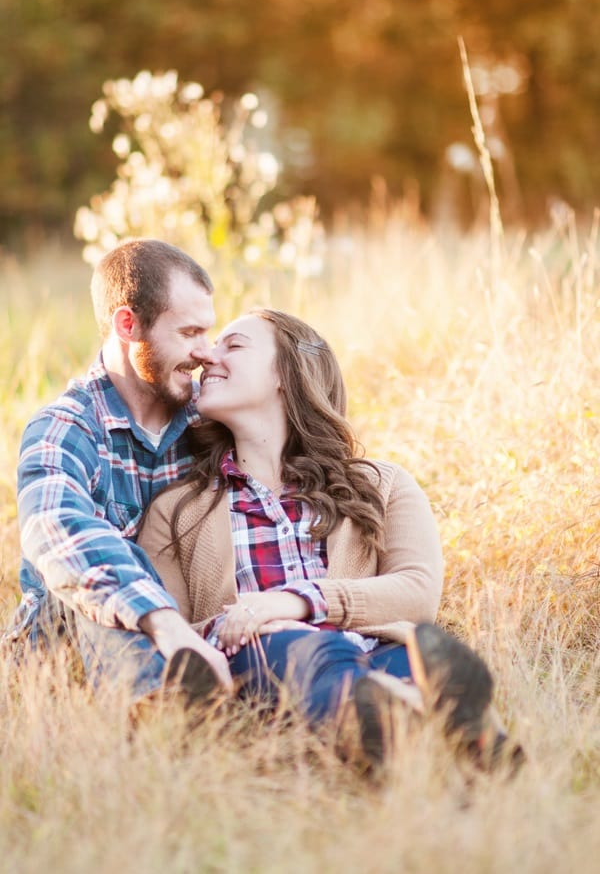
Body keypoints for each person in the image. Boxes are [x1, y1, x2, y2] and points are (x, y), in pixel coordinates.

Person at [137, 308, 510, 769]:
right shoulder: (175, 511)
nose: (208, 357)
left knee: (415, 661)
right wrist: (253, 622)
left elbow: (417, 592)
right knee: (310, 652)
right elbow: (168, 631)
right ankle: (426, 727)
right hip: (266, 660)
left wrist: (297, 600)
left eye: (233, 345)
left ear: (286, 373)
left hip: (377, 648)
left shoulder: (382, 484)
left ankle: (439, 727)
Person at [3, 238, 233, 701]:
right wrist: (162, 621)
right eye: (189, 334)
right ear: (127, 324)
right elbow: (55, 525)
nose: (206, 352)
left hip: (194, 636)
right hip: (63, 647)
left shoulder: (206, 424)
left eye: (208, 333)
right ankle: (159, 715)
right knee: (93, 571)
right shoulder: (65, 426)